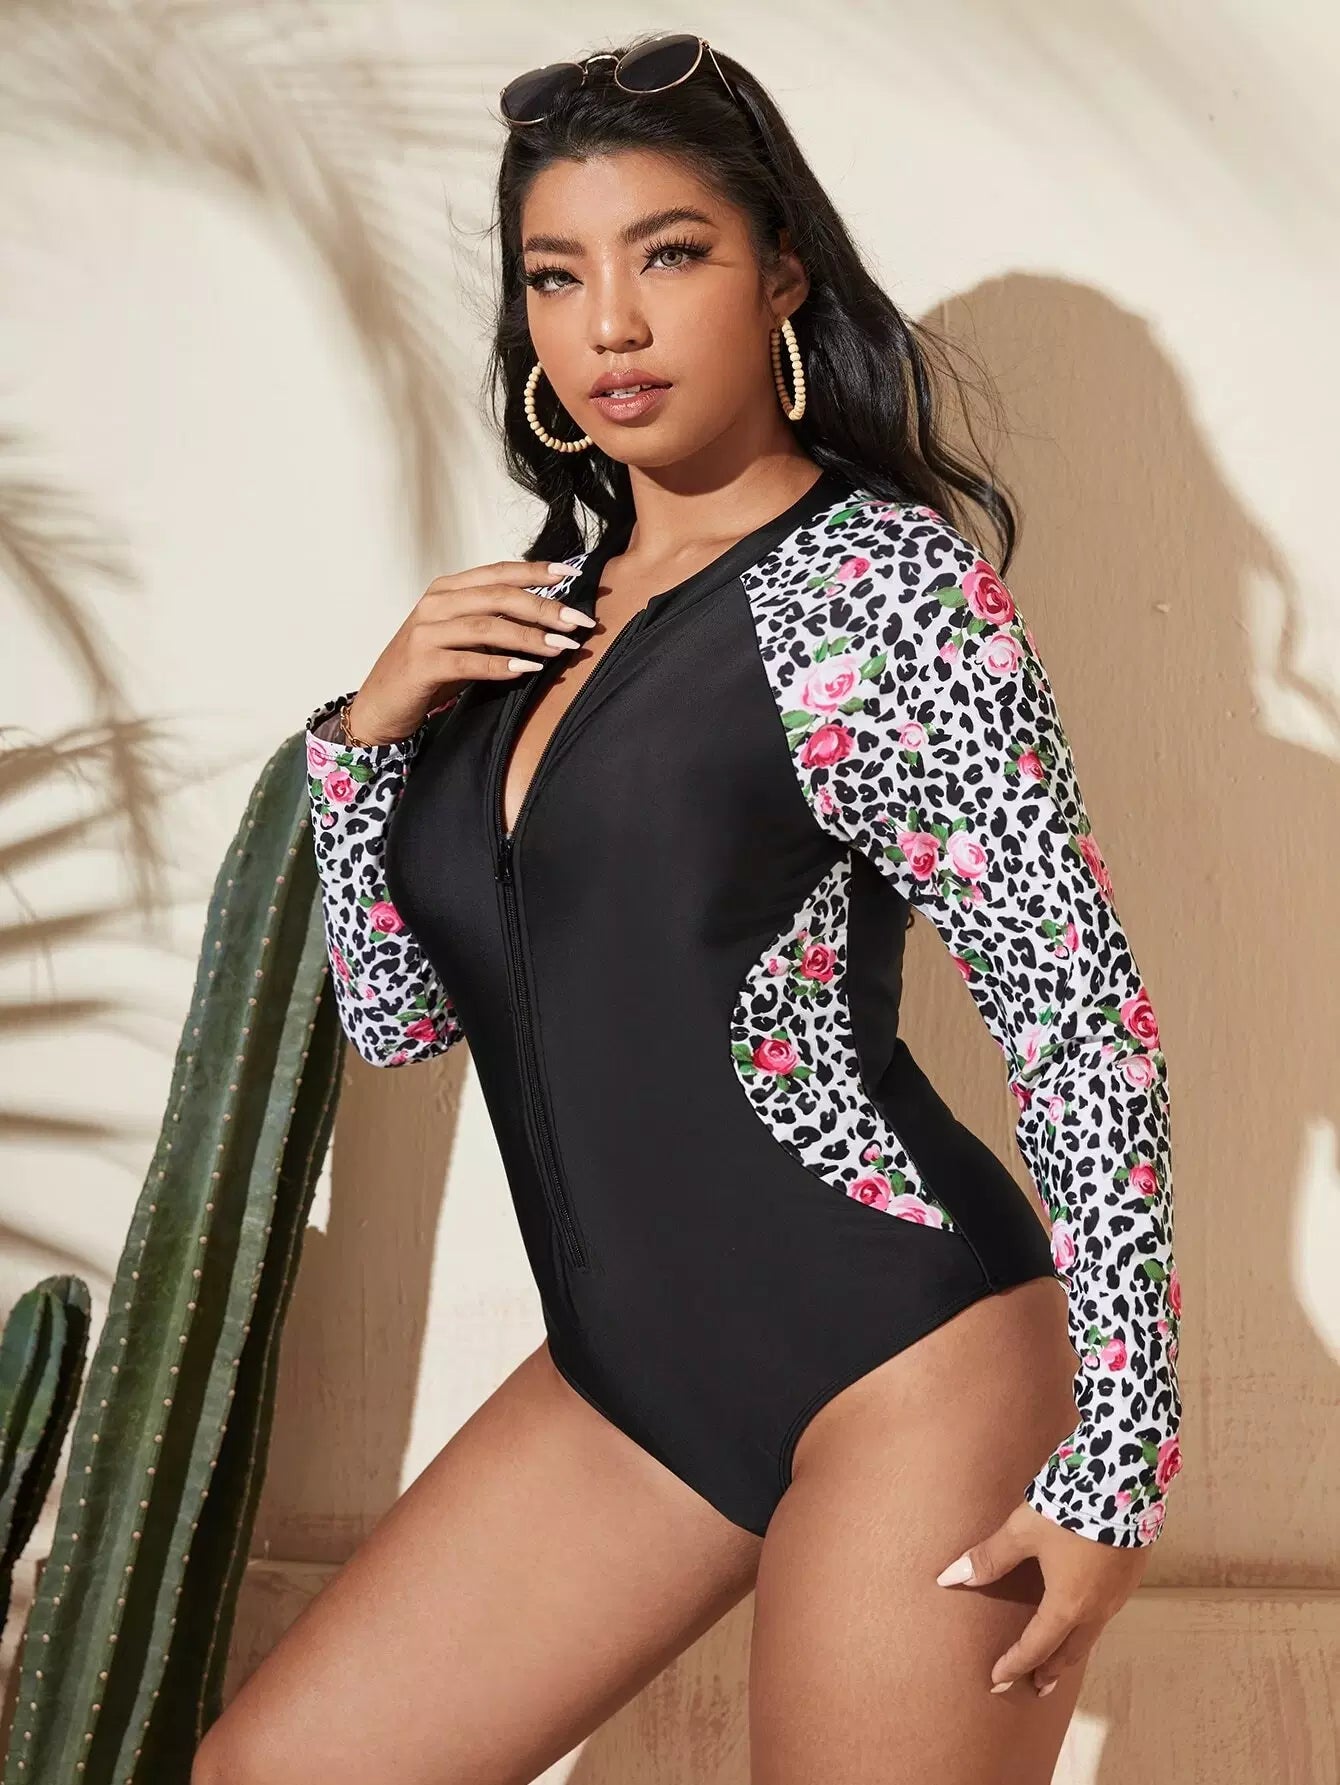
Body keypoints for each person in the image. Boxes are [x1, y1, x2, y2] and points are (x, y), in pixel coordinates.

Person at [194, 32, 1181, 1785]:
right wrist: (365, 740)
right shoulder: (531, 618)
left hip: (905, 1361)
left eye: (670, 254)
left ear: (781, 270)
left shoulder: (881, 593)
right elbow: (404, 1020)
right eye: (556, 276)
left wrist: (1122, 1456)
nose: (612, 326)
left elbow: (1075, 1016)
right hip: (625, 1382)